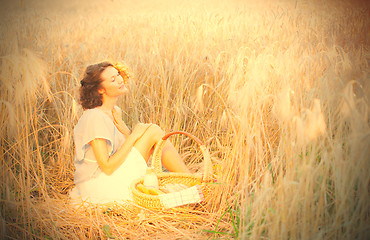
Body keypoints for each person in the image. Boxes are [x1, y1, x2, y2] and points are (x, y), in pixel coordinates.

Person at [69, 61, 190, 205]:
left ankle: (189, 179)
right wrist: (133, 136)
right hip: (99, 187)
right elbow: (107, 167)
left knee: (153, 133)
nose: (120, 80)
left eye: (118, 74)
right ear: (101, 90)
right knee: (153, 131)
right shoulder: (94, 117)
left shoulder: (115, 112)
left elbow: (126, 152)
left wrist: (127, 133)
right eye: (113, 80)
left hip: (114, 176)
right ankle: (191, 180)